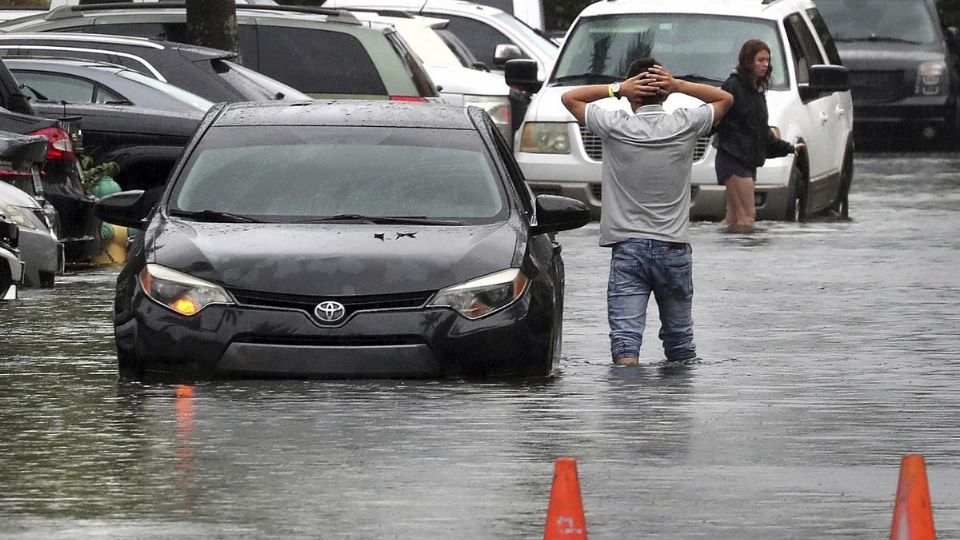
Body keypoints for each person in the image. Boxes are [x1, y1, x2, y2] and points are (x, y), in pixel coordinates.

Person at [561, 58, 733, 367]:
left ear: (631, 93)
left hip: (628, 249)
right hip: (674, 249)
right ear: (664, 94)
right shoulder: (685, 123)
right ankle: (678, 411)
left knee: (626, 345)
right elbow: (725, 99)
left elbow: (569, 98)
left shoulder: (614, 125)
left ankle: (627, 410)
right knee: (681, 344)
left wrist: (617, 89)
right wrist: (678, 84)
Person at [715, 39, 802, 233]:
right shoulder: (732, 86)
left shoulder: (757, 92)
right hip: (733, 158)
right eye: (760, 60)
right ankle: (745, 258)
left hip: (747, 160)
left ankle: (727, 254)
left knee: (733, 218)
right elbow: (717, 118)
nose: (765, 64)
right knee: (747, 217)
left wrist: (788, 148)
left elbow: (762, 132)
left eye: (767, 60)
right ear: (748, 61)